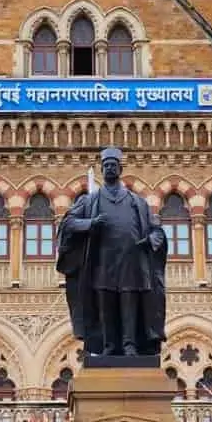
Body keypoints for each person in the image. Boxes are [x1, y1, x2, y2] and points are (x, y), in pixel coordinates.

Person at [56, 146, 166, 357]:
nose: (109, 168)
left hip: (131, 263)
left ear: (120, 169)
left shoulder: (137, 202)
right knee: (105, 305)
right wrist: (90, 223)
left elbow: (157, 230)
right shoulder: (90, 200)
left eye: (113, 165)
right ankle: (109, 346)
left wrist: (151, 240)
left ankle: (130, 345)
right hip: (102, 263)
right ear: (101, 169)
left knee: (129, 304)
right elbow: (68, 223)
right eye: (106, 165)